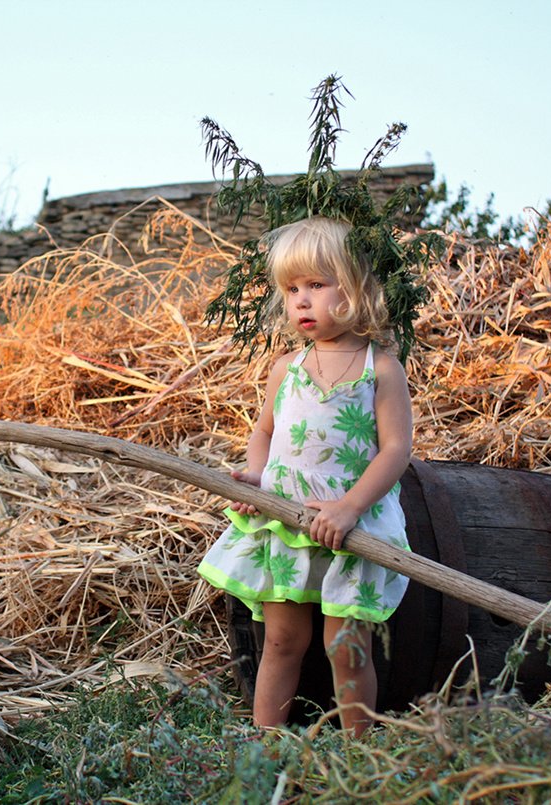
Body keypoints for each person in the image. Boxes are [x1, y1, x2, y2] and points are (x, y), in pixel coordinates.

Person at [198, 216, 413, 736]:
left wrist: (349, 507)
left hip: (349, 527)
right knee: (281, 641)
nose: (300, 300)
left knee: (347, 647)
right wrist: (255, 476)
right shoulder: (286, 368)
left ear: (357, 287)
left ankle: (358, 754)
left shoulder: (380, 368)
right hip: (285, 522)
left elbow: (396, 450)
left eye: (316, 285)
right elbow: (264, 433)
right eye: (291, 288)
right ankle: (266, 743)